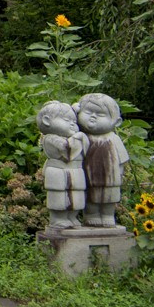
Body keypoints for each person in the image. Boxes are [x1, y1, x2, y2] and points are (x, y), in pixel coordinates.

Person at [75, 92, 129, 228]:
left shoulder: (113, 138)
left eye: (100, 114)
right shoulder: (81, 137)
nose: (93, 116)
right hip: (88, 176)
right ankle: (91, 215)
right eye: (88, 112)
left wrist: (120, 172)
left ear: (116, 121)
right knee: (90, 197)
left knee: (109, 198)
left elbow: (122, 158)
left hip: (111, 177)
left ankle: (108, 215)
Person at [36, 100, 86, 229]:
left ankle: (72, 216)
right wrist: (78, 137)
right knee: (59, 195)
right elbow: (67, 150)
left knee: (76, 195)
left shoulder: (71, 137)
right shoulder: (50, 138)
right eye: (66, 120)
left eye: (74, 122)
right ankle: (58, 218)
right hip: (58, 171)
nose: (72, 124)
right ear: (47, 121)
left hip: (75, 171)